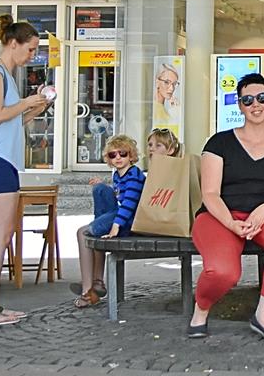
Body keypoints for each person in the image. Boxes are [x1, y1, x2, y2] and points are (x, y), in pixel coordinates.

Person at [188, 73, 264, 342]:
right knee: (222, 271)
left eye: (262, 98)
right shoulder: (219, 143)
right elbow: (210, 193)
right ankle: (201, 308)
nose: (256, 104)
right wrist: (231, 223)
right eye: (248, 99)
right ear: (240, 106)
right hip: (220, 215)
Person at [0, 15, 52, 329]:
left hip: (1, 158)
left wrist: (32, 110)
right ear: (13, 44)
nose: (32, 56)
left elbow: (8, 122)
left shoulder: (5, 75)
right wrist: (26, 102)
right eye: (30, 49)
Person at [71, 134, 146, 308]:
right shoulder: (118, 175)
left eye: (123, 153)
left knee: (82, 233)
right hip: (120, 215)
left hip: (128, 220)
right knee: (100, 189)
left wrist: (115, 227)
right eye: (113, 155)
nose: (118, 157)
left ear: (131, 155)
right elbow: (119, 196)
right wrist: (104, 186)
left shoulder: (134, 173)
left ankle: (87, 290)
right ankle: (97, 283)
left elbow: (129, 203)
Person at [153, 64, 181, 129]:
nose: (172, 88)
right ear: (157, 82)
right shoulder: (156, 109)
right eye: (166, 82)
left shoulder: (161, 108)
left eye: (174, 84)